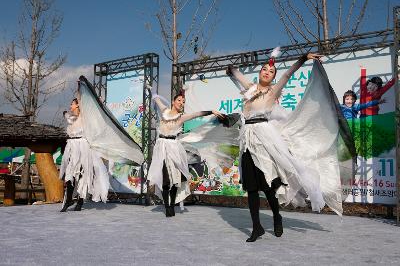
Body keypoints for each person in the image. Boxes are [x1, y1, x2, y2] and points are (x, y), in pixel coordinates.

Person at [227, 50, 348, 242]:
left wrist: (302, 59)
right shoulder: (250, 88)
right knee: (251, 188)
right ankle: (256, 227)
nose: (267, 72)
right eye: (264, 69)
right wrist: (231, 69)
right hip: (247, 140)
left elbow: (287, 74)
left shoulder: (273, 91)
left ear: (273, 76)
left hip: (264, 139)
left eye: (271, 71)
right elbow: (237, 74)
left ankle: (276, 216)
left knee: (268, 187)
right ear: (259, 72)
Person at [59, 77, 144, 212]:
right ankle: (69, 199)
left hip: (83, 148)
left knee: (82, 176)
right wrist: (66, 113)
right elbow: (67, 116)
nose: (70, 106)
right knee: (70, 175)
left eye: (72, 104)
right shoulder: (72, 119)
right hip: (72, 149)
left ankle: (80, 201)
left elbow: (82, 100)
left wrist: (80, 87)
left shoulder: (84, 117)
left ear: (78, 105)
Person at [146, 85, 224, 217]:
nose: (181, 103)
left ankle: (172, 205)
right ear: (173, 101)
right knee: (165, 180)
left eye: (183, 102)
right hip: (161, 148)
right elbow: (155, 98)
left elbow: (197, 114)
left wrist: (211, 111)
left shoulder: (181, 117)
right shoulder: (164, 111)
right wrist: (151, 90)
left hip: (174, 148)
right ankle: (167, 206)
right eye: (179, 101)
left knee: (175, 180)